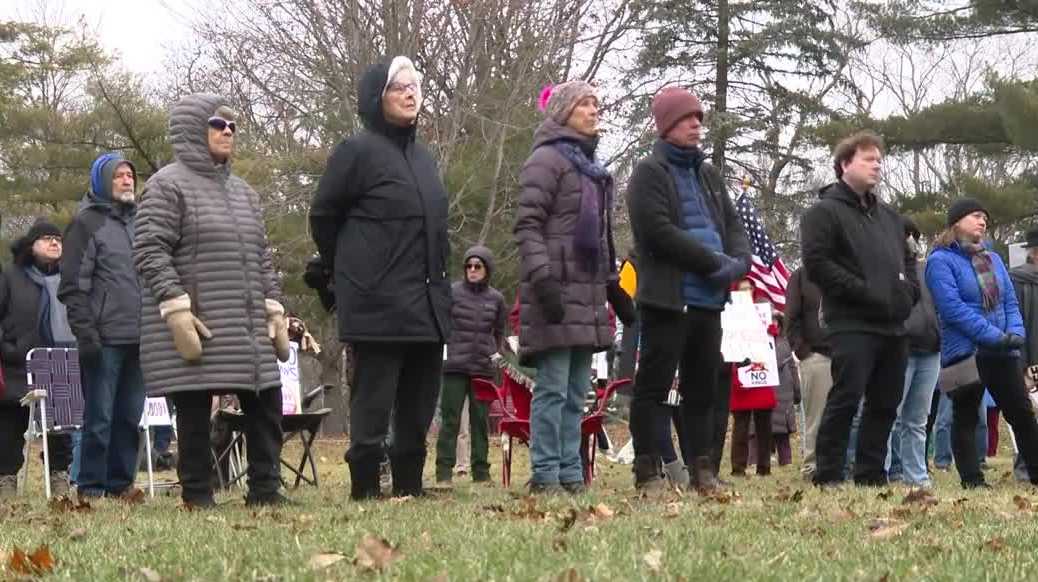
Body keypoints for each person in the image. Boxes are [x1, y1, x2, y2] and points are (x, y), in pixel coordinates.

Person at [134, 94, 292, 508]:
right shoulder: (167, 185)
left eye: (232, 126)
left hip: (245, 323)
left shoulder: (244, 193)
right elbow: (150, 249)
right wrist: (176, 307)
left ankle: (265, 489)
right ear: (192, 130)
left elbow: (261, 257)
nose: (228, 132)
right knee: (192, 409)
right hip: (199, 322)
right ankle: (198, 493)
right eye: (217, 124)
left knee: (266, 399)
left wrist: (274, 306)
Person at [310, 57, 451, 500]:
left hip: (428, 305)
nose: (411, 95)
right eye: (399, 88)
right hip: (377, 305)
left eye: (415, 87)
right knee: (373, 400)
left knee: (418, 402)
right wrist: (351, 273)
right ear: (377, 98)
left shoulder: (424, 160)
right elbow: (323, 216)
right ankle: (366, 487)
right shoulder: (357, 151)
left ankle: (410, 482)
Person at [626, 86, 751, 493]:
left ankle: (703, 470)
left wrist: (739, 262)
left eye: (699, 118)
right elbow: (657, 232)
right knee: (654, 386)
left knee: (703, 389)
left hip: (708, 301)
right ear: (666, 126)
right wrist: (714, 263)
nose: (697, 125)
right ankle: (648, 471)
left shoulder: (709, 175)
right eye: (687, 118)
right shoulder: (648, 172)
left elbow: (733, 227)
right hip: (668, 299)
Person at [515, 80, 633, 494]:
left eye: (597, 103)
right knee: (552, 386)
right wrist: (542, 277)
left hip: (587, 292)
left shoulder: (594, 171)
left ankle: (570, 471)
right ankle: (545, 473)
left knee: (576, 391)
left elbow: (602, 239)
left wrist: (613, 287)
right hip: (554, 289)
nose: (593, 110)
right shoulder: (545, 160)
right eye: (585, 103)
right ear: (564, 111)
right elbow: (527, 224)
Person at [800, 130, 919, 488]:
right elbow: (818, 264)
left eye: (879, 159)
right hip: (851, 322)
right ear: (844, 164)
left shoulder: (889, 218)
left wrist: (908, 292)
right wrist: (866, 292)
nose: (877, 165)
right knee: (846, 398)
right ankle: (830, 475)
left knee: (885, 404)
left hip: (894, 325)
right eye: (868, 158)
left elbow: (909, 259)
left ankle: (871, 475)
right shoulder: (823, 213)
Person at [926, 199, 1038, 489]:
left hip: (1003, 348)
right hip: (966, 350)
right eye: (976, 216)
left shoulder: (994, 259)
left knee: (1021, 412)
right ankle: (972, 479)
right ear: (957, 222)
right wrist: (993, 335)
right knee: (966, 416)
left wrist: (1015, 333)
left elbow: (1009, 302)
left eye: (985, 217)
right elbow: (952, 309)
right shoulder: (940, 261)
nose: (983, 221)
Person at [58, 153, 147, 501]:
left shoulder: (142, 223)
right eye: (119, 176)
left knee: (129, 417)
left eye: (130, 175)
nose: (127, 181)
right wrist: (87, 334)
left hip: (139, 338)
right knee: (100, 418)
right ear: (102, 181)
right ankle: (92, 486)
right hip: (103, 339)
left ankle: (120, 484)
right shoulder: (86, 224)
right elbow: (72, 286)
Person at [0, 219, 75, 497]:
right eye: (46, 238)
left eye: (58, 238)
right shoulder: (10, 276)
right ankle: (6, 479)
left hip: (60, 360)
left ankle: (59, 478)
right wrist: (8, 347)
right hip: (18, 363)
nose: (55, 242)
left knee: (60, 427)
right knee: (10, 425)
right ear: (31, 246)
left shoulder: (70, 277)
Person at [435, 246, 507, 485]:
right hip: (454, 367)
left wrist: (494, 354)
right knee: (450, 421)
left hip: (482, 369)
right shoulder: (452, 293)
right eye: (469, 265)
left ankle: (481, 474)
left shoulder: (497, 299)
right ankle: (443, 473)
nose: (473, 270)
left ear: (487, 269)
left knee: (479, 423)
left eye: (478, 266)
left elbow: (499, 332)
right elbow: (442, 323)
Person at [886, 217, 941, 488]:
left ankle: (916, 475)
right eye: (904, 235)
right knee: (889, 416)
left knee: (917, 420)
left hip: (930, 351)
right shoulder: (884, 268)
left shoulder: (926, 270)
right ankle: (882, 472)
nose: (909, 240)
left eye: (912, 235)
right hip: (899, 349)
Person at [785, 266, 831, 480]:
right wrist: (803, 351)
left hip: (844, 355)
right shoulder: (801, 276)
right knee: (816, 417)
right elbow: (791, 318)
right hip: (815, 357)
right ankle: (811, 468)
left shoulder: (843, 272)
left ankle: (837, 465)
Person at [1009, 226, 1038, 481]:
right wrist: (1023, 363)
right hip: (1029, 358)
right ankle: (1025, 469)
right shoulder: (1018, 281)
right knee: (1028, 414)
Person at [770, 311, 800, 467]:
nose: (773, 324)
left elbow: (793, 368)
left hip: (784, 393)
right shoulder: (762, 343)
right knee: (764, 431)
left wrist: (797, 391)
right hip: (767, 393)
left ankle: (786, 461)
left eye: (775, 321)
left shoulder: (785, 343)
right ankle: (762, 459)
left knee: (783, 435)